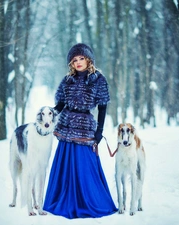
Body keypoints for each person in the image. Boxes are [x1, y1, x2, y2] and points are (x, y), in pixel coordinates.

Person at [43, 43, 117, 219]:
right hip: (67, 127)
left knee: (86, 168)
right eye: (74, 60)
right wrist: (49, 115)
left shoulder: (98, 79)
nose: (78, 62)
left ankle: (91, 202)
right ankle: (63, 201)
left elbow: (103, 107)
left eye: (81, 58)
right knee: (64, 167)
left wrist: (99, 131)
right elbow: (60, 104)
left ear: (88, 59)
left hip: (85, 128)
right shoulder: (67, 80)